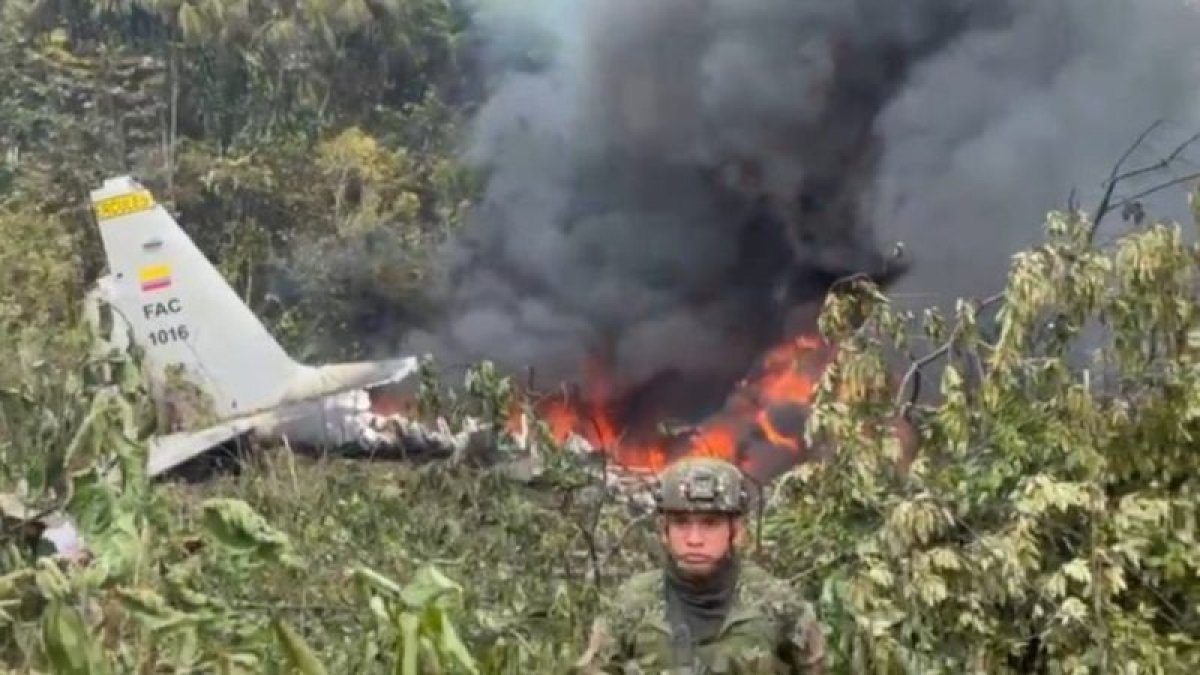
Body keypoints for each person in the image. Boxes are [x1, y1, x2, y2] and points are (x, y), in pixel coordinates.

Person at [574, 455, 826, 674]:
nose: (694, 539)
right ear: (664, 531)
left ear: (736, 531)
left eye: (710, 523)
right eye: (681, 522)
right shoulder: (632, 605)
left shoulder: (778, 606)